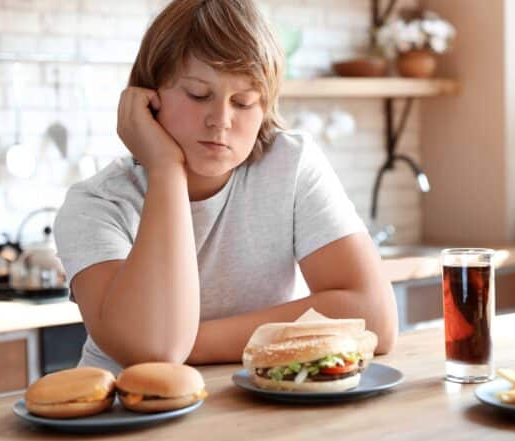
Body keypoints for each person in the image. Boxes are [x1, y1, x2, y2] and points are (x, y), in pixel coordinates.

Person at [54, 0, 397, 374]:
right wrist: (166, 169)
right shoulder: (95, 205)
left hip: (251, 410)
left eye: (244, 101)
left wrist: (189, 341)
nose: (220, 120)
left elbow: (373, 316)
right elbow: (153, 351)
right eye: (198, 94)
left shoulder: (290, 163)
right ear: (148, 95)